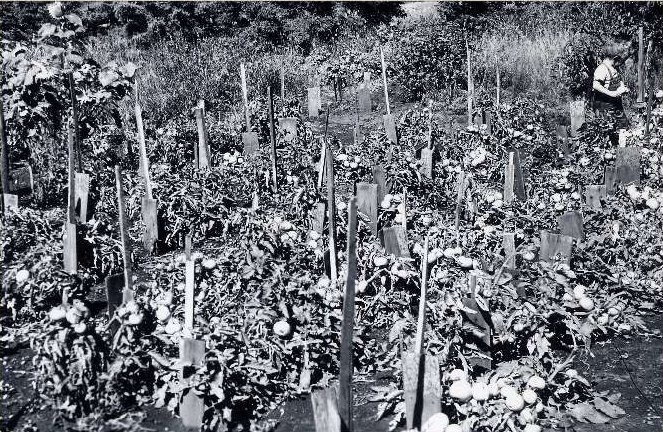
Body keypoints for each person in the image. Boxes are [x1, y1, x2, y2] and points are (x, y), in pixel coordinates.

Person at [592, 43, 629, 127]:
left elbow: (617, 81)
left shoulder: (613, 68)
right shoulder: (602, 69)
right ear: (615, 58)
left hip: (616, 104)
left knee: (623, 126)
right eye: (619, 60)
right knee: (607, 129)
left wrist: (623, 88)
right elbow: (595, 85)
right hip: (605, 106)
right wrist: (612, 93)